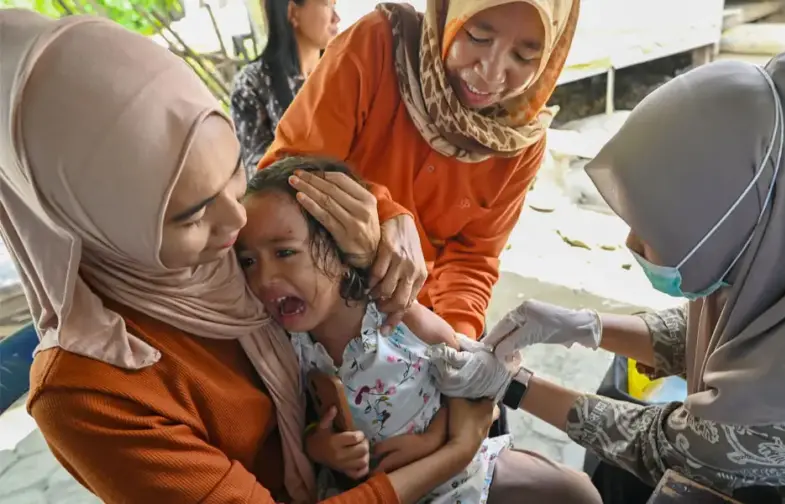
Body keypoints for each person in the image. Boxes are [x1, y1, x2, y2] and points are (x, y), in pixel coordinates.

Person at [0, 10, 500, 504]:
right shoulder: (91, 394)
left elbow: (286, 193)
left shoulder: (229, 250)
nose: (236, 222)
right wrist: (456, 451)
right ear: (94, 222)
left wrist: (386, 213)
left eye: (233, 170)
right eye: (191, 216)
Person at [423, 43, 785, 504]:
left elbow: (666, 446)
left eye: (655, 226)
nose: (632, 243)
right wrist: (584, 326)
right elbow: (708, 337)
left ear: (734, 221)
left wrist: (511, 385)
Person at [236, 156, 602, 503]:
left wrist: (433, 440)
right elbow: (307, 426)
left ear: (341, 248)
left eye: (284, 252)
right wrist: (324, 449)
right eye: (248, 261)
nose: (264, 278)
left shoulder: (396, 316)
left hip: (455, 474)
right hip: (378, 490)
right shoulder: (288, 346)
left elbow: (465, 374)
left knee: (575, 492)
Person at [231, 0, 340, 173]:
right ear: (293, 11)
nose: (337, 18)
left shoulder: (339, 75)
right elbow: (257, 173)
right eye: (327, 5)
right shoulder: (252, 83)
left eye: (335, 6)